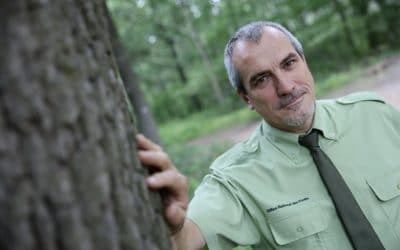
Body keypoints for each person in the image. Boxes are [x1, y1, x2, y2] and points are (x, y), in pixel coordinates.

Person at [137, 21, 400, 250]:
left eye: (289, 63)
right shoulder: (236, 179)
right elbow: (187, 239)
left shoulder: (374, 114)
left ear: (304, 61)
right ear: (246, 98)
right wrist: (172, 227)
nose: (286, 87)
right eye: (262, 79)